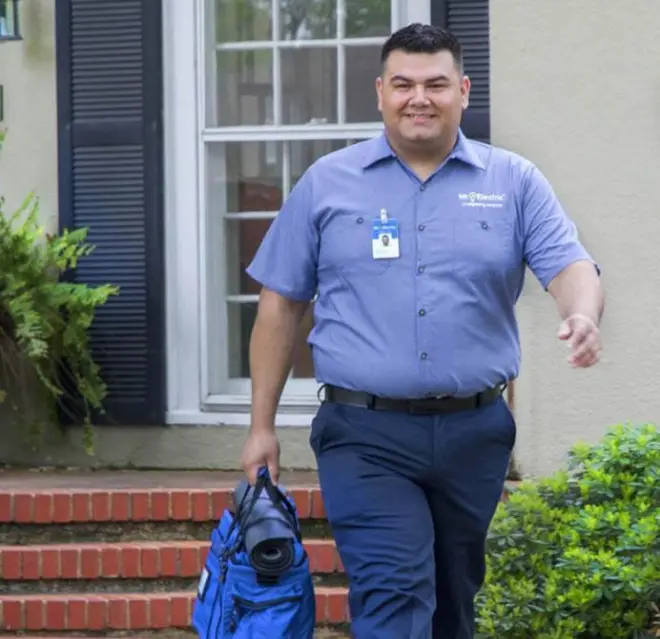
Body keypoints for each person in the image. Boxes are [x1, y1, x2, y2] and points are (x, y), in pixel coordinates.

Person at [241, 22, 604, 639]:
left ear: (462, 91)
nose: (420, 98)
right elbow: (280, 308)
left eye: (436, 84)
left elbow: (569, 265)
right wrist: (260, 427)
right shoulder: (328, 183)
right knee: (394, 593)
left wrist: (583, 314)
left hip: (475, 432)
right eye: (404, 84)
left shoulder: (512, 181)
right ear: (380, 92)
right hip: (365, 433)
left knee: (453, 600)